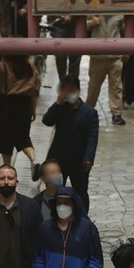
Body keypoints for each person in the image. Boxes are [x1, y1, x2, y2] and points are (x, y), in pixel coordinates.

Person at [43, 74, 99, 212]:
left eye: (71, 90)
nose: (69, 94)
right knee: (53, 191)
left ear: (78, 90)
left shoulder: (89, 113)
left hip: (79, 161)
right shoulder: (60, 108)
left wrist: (89, 158)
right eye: (65, 90)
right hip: (58, 159)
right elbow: (47, 121)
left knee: (80, 192)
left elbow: (92, 137)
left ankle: (83, 220)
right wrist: (57, 103)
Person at [0, 55, 41, 180]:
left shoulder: (3, 66)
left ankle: (7, 169)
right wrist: (33, 110)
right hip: (25, 106)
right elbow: (34, 91)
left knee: (5, 139)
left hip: (8, 105)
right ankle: (33, 161)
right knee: (23, 138)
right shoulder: (30, 67)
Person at [86, 15, 127, 126]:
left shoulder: (119, 15)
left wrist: (126, 50)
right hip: (97, 56)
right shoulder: (93, 11)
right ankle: (88, 110)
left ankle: (116, 113)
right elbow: (82, 27)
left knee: (116, 86)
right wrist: (92, 22)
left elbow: (124, 32)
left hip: (115, 55)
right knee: (94, 86)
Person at [48, 15, 81, 79]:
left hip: (76, 25)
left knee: (75, 56)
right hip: (59, 24)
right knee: (60, 56)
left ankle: (73, 82)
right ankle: (63, 80)